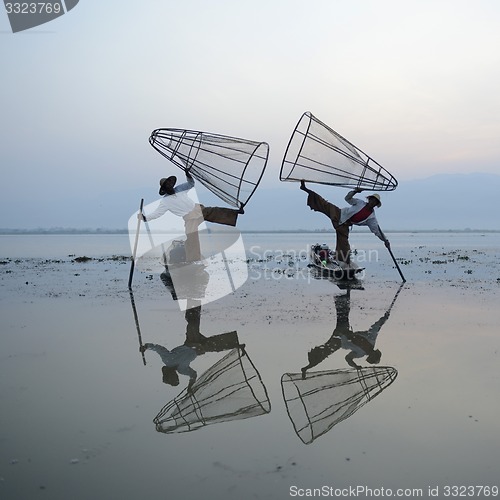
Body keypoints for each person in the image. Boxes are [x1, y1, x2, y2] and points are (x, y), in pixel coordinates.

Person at [141, 170, 244, 262]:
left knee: (214, 211)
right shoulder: (165, 201)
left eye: (169, 183)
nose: (169, 185)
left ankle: (236, 212)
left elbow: (191, 184)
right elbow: (157, 213)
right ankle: (193, 260)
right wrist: (145, 218)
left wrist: (188, 175)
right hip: (189, 218)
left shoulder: (180, 188)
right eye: (166, 185)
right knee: (191, 237)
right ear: (164, 188)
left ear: (172, 184)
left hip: (198, 209)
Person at [300, 180, 390, 266]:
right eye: (372, 200)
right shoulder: (359, 202)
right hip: (339, 214)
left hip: (344, 226)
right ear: (369, 199)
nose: (372, 202)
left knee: (345, 247)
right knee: (323, 203)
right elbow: (347, 198)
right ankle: (306, 189)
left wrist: (385, 240)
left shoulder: (372, 218)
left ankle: (343, 263)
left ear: (376, 204)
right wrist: (355, 191)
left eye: (375, 202)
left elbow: (377, 231)